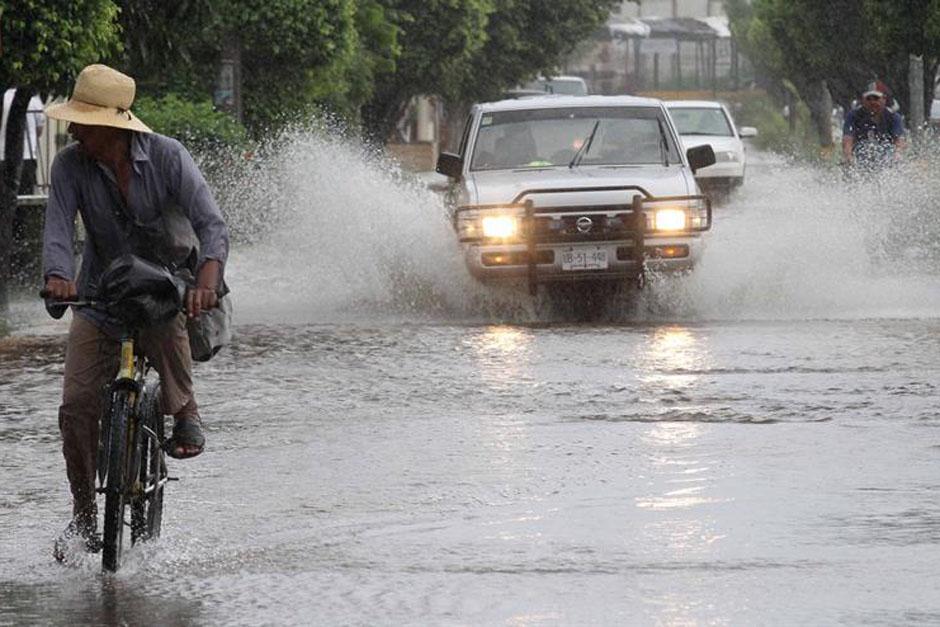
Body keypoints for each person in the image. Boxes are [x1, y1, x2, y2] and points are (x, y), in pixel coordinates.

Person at [41, 64, 229, 557]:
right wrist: (57, 277)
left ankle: (184, 409)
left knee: (167, 328)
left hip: (165, 288)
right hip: (101, 295)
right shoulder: (69, 166)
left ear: (112, 125)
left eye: (82, 120)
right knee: (76, 407)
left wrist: (208, 277)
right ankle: (84, 517)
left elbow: (212, 224)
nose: (73, 128)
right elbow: (58, 228)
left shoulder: (168, 157)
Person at [842, 81, 905, 170]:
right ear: (863, 100)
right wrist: (848, 156)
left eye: (876, 98)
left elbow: (899, 140)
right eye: (868, 99)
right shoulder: (853, 116)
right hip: (860, 157)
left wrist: (898, 154)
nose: (872, 102)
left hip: (886, 158)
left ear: (884, 99)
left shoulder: (893, 117)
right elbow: (848, 139)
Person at [0, 87, 45, 194]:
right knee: (25, 196)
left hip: (3, 154)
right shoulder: (34, 100)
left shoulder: (4, 97)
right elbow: (40, 130)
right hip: (27, 155)